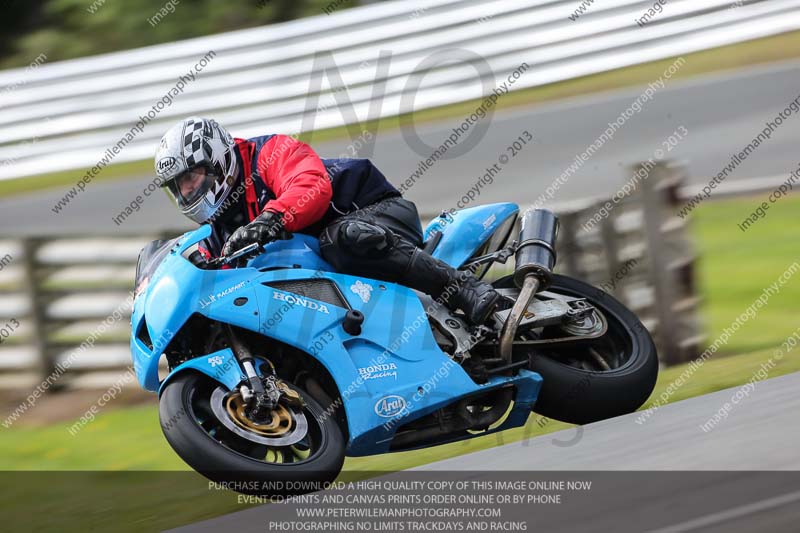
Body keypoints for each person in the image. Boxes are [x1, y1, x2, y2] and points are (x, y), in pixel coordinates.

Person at [154, 117, 499, 325]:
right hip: (337, 270)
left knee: (340, 238)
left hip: (376, 214)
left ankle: (463, 288)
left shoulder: (268, 153)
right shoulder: (217, 231)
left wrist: (272, 217)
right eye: (180, 187)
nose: (189, 190)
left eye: (193, 176)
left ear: (217, 160)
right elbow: (208, 274)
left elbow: (310, 184)